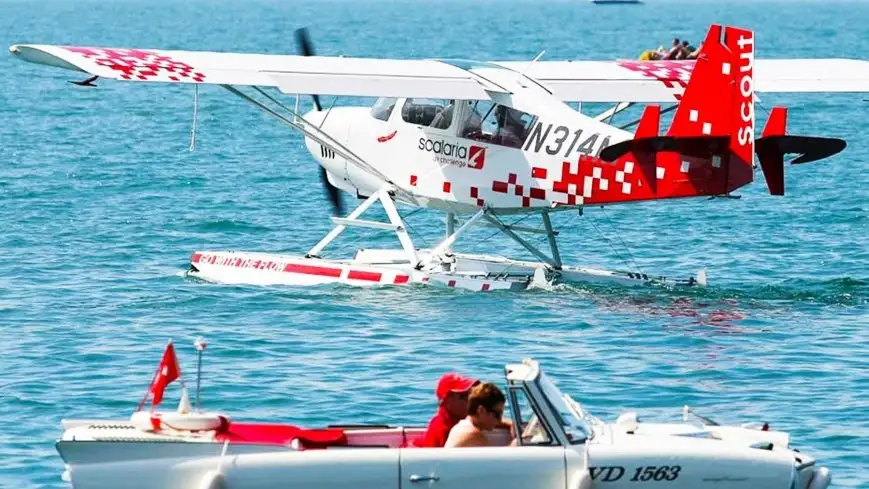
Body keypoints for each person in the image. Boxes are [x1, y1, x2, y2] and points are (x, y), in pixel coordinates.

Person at [444, 382, 515, 448]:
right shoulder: (471, 434)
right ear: (481, 410)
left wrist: (511, 423)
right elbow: (496, 460)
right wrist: (515, 444)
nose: (499, 420)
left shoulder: (464, 425)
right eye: (497, 414)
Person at [417, 373, 479, 447]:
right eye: (463, 396)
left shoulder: (460, 419)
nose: (469, 399)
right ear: (446, 401)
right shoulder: (442, 429)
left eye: (470, 393)